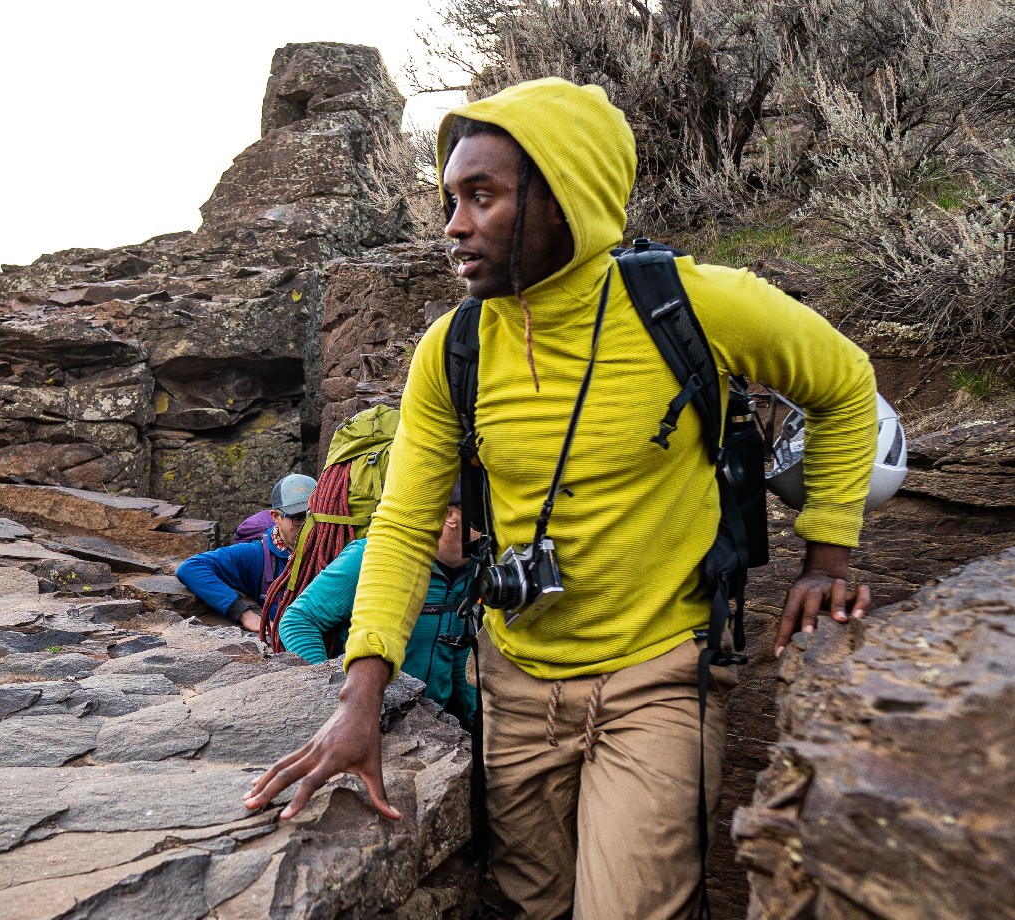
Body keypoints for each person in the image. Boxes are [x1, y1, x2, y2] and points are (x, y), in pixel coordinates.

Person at [245, 77, 877, 919]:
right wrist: (360, 697)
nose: (453, 225)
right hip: (514, 680)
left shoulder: (693, 305)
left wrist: (825, 555)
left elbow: (846, 383)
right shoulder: (454, 348)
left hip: (660, 676)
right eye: (449, 199)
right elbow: (399, 526)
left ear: (562, 198)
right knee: (529, 905)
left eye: (482, 196)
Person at [278, 482, 477, 726]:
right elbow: (298, 621)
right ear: (449, 515)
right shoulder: (371, 557)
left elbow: (459, 654)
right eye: (483, 514)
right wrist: (333, 701)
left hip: (433, 723)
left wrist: (476, 722)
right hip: (368, 720)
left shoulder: (474, 570)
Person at [177, 473, 317, 633]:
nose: (308, 525)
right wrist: (244, 614)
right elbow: (192, 568)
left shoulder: (336, 549)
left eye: (312, 516)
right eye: (298, 517)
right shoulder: (256, 556)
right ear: (276, 517)